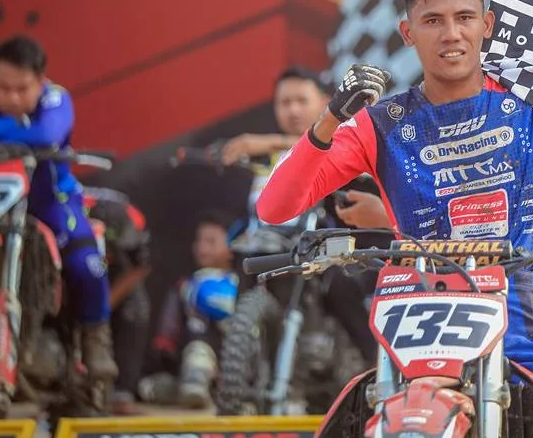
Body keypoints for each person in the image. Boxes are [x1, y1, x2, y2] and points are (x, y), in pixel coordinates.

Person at [257, 0, 533, 436]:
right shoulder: (379, 124)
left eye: (464, 17)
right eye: (433, 20)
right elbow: (275, 207)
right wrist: (331, 118)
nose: (451, 34)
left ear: (487, 24)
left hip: (518, 298)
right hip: (415, 302)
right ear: (408, 32)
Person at [0, 35, 118, 380]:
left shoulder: (55, 98)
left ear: (40, 81)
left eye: (23, 89)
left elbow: (47, 134)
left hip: (50, 201)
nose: (13, 98)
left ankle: (96, 340)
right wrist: (13, 127)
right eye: (4, 88)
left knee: (85, 265)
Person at [220, 65, 387, 363]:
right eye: (285, 103)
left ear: (324, 102)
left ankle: (375, 367)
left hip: (326, 248)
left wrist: (269, 141)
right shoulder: (262, 155)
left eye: (301, 101)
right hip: (270, 243)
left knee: (343, 287)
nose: (293, 110)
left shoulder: (345, 137)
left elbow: (327, 143)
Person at [139, 210, 238, 409]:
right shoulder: (185, 286)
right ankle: (197, 388)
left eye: (211, 241)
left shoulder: (241, 285)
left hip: (234, 364)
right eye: (199, 240)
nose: (202, 247)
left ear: (231, 247)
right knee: (148, 387)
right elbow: (167, 333)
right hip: (191, 358)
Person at [84, 188, 152, 415]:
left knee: (136, 309)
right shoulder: (70, 211)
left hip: (115, 275)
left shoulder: (132, 220)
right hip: (73, 267)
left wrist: (105, 303)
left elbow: (140, 267)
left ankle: (122, 391)